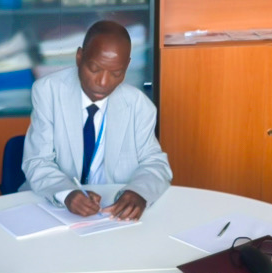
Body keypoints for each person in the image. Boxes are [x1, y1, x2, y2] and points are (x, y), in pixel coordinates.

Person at [21, 20, 172, 221]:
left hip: (109, 213)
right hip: (53, 209)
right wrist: (67, 193)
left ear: (126, 67)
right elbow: (37, 160)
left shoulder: (139, 106)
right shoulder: (48, 91)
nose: (103, 82)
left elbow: (156, 164)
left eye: (116, 73)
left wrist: (139, 192)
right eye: (94, 69)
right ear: (79, 57)